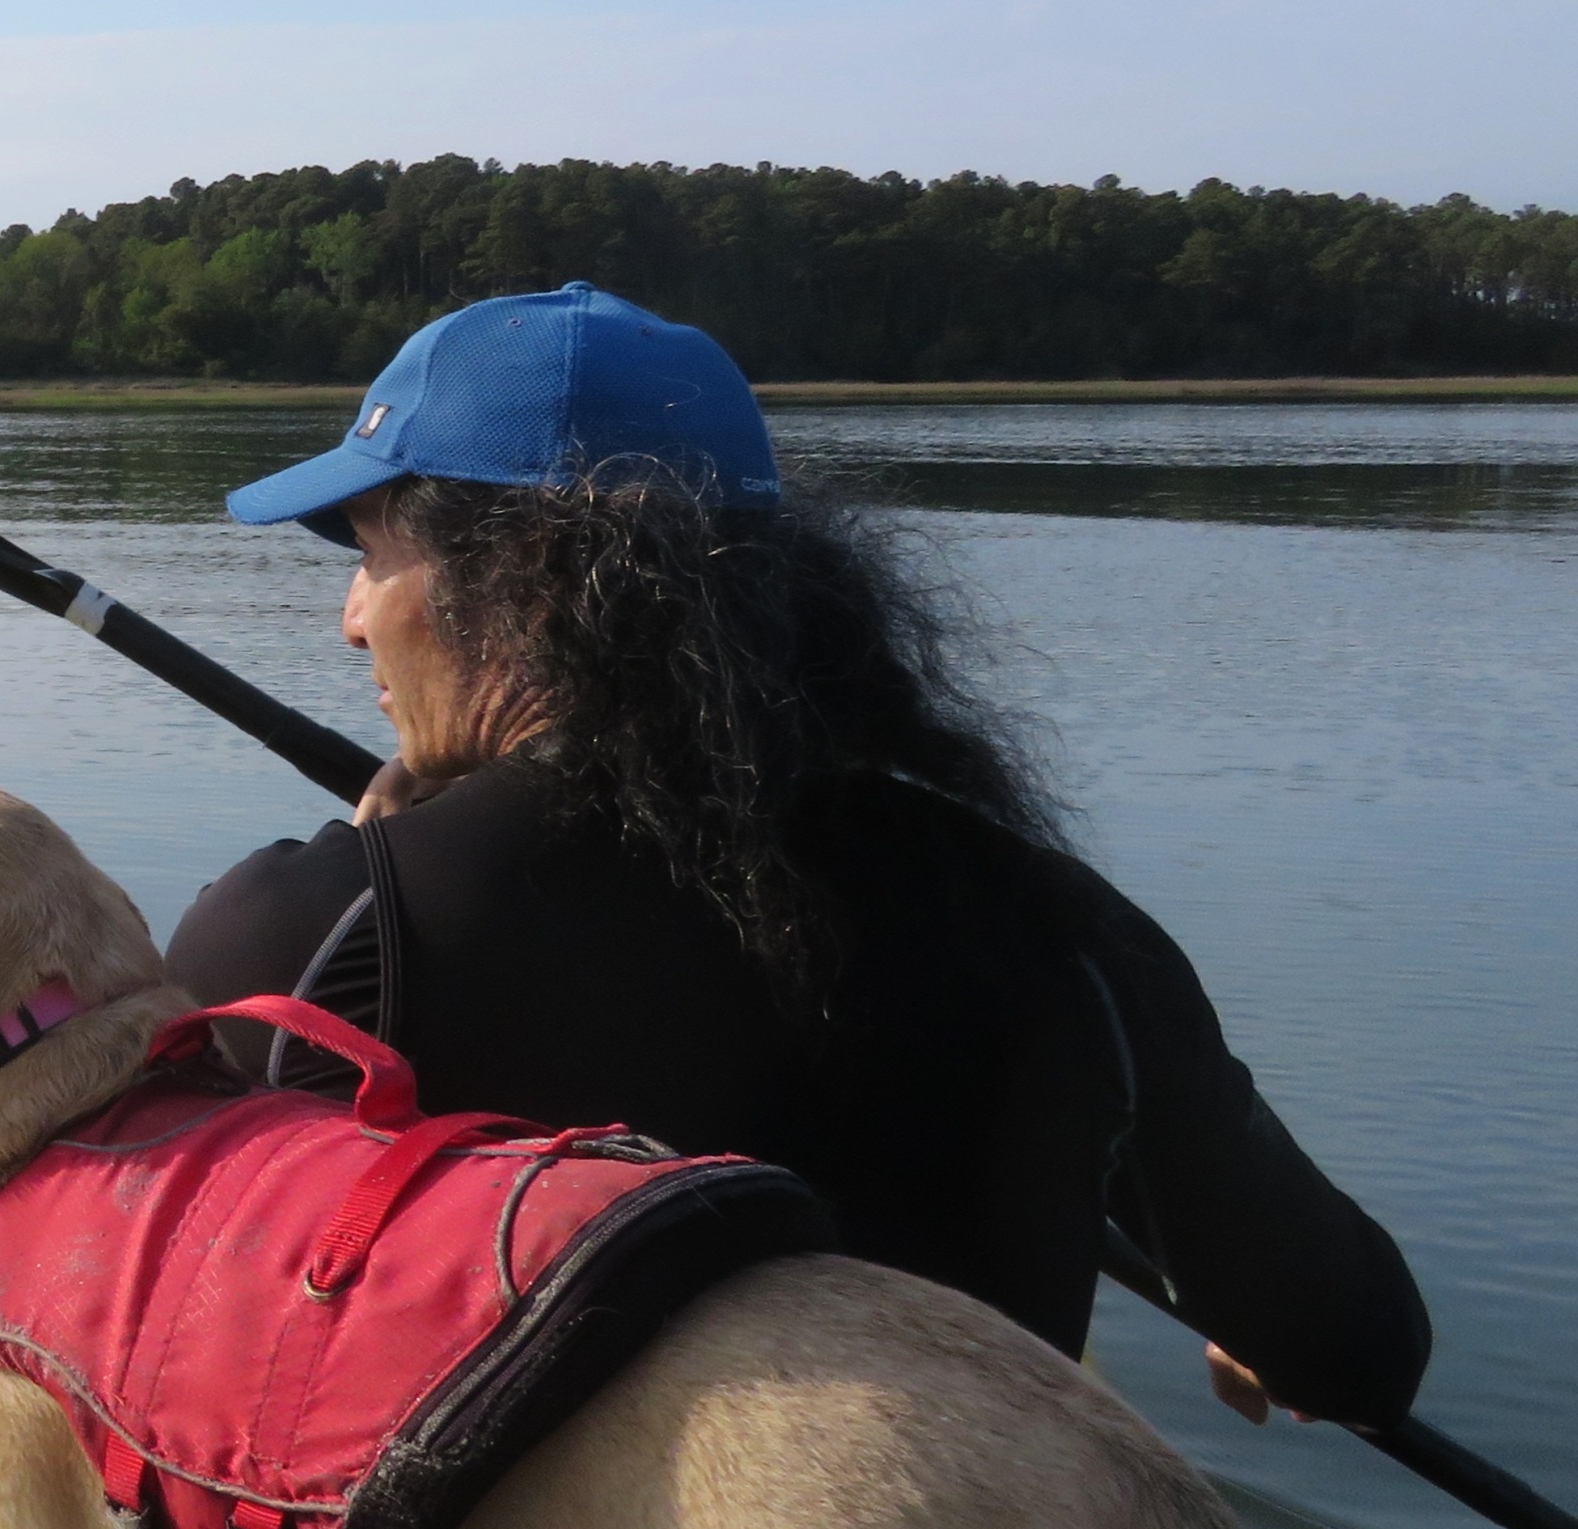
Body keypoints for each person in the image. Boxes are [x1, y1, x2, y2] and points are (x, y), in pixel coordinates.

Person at [169, 283, 1430, 1430]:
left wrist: (367, 871)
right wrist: (1250, 1294)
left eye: (376, 552)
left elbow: (163, 1339)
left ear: (514, 578)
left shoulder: (308, 937)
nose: (350, 622)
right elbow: (1359, 1352)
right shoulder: (1056, 928)